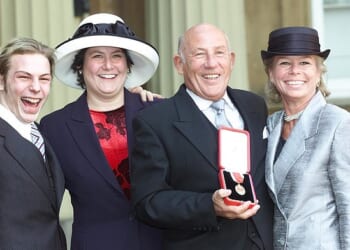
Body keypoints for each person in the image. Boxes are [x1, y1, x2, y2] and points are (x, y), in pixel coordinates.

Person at [130, 23, 273, 250]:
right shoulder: (154, 121)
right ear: (179, 64)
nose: (211, 63)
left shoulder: (254, 106)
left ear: (231, 60)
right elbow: (148, 202)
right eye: (199, 54)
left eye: (219, 53)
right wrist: (209, 205)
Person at [39, 13, 162, 250]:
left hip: (161, 243)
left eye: (117, 56)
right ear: (80, 65)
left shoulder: (158, 112)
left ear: (128, 66)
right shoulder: (54, 127)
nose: (108, 65)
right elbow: (42, 206)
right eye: (97, 56)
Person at [261, 26, 350, 249]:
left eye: (304, 62)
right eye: (284, 63)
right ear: (271, 73)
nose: (294, 71)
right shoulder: (270, 124)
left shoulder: (338, 123)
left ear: (319, 72)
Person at [0, 37, 67, 249]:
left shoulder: (42, 133)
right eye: (24, 77)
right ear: (1, 81)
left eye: (44, 79)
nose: (36, 88)